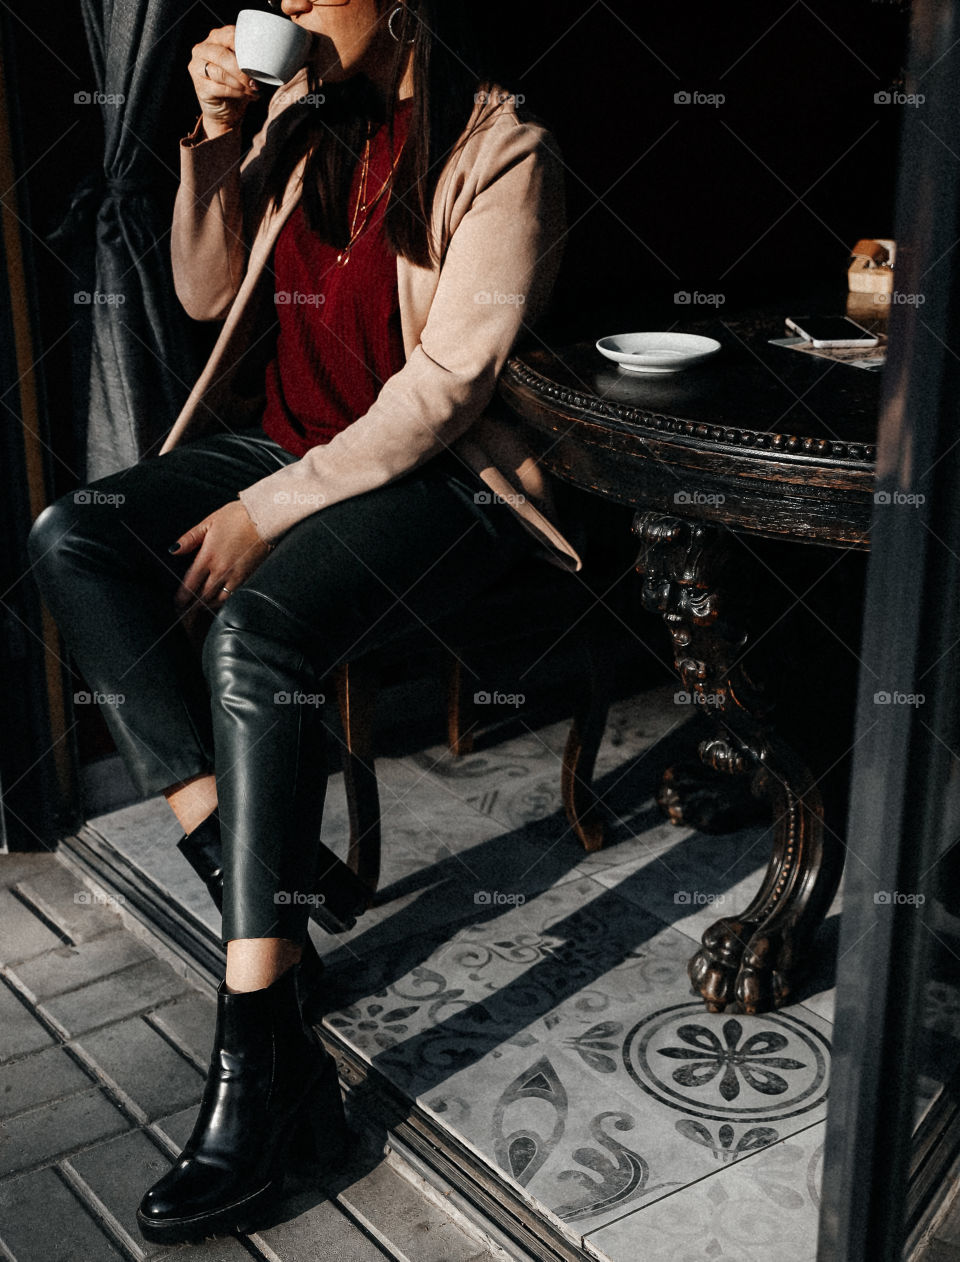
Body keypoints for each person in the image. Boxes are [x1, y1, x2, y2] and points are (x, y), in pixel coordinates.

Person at [28, 0, 579, 1244]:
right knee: (74, 535)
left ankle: (262, 1065)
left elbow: (445, 391)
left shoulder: (504, 151)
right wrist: (214, 136)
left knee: (254, 635)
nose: (283, 7)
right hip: (285, 443)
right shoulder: (299, 113)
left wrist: (263, 511)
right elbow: (201, 290)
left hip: (442, 482)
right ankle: (253, 881)